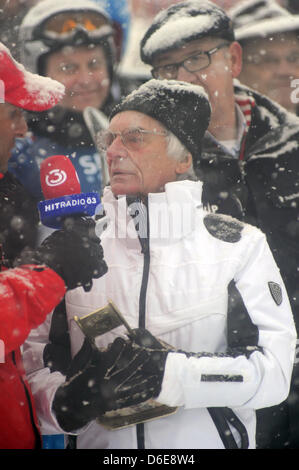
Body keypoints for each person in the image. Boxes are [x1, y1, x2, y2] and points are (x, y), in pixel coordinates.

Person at [22, 79, 296, 449]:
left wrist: (171, 376)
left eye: (134, 138)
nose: (114, 151)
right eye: (109, 139)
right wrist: (63, 404)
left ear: (184, 159)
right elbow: (23, 373)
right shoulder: (75, 250)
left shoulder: (238, 245)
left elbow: (276, 374)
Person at [139, 0, 299, 448]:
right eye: (168, 69)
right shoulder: (156, 166)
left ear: (234, 59)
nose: (186, 77)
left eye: (197, 59)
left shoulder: (292, 141)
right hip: (220, 378)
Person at [0, 40, 108, 449]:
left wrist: (58, 407)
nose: (23, 128)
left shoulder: (10, 197)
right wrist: (48, 274)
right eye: (13, 114)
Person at [8, 0, 124, 200]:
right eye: (68, 68)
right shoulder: (14, 149)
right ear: (39, 75)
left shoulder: (137, 135)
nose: (86, 80)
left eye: (94, 64)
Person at [228, 0, 299, 114]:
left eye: (294, 58)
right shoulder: (218, 129)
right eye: (269, 60)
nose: (285, 71)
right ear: (236, 66)